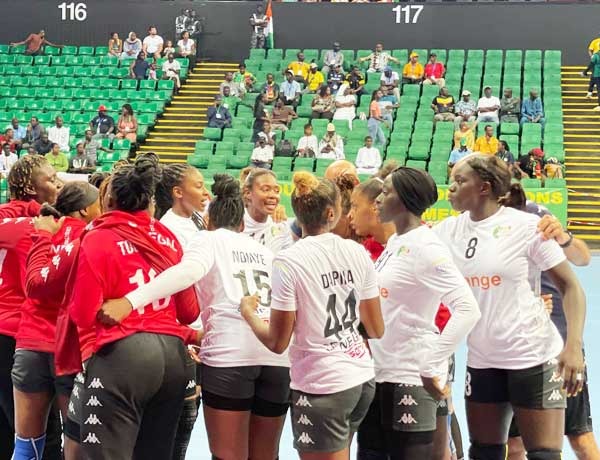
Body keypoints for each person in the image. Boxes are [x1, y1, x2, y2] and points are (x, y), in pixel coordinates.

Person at [100, 174, 290, 460]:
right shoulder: (266, 252)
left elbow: (187, 273)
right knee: (266, 455)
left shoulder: (207, 239)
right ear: (241, 224)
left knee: (229, 456)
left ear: (210, 221)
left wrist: (129, 301)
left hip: (231, 357)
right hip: (276, 358)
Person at [436, 154, 586, 460]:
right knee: (485, 453)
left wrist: (572, 347)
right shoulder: (446, 231)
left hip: (534, 357)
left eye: (460, 181)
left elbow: (571, 287)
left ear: (484, 188)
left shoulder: (527, 227)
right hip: (482, 360)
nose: (451, 188)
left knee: (544, 454)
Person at [240, 170, 384, 459]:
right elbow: (376, 328)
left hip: (323, 385)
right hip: (362, 377)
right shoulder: (356, 252)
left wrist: (248, 313)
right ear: (332, 213)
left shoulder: (289, 260)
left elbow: (277, 342)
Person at [68, 156, 200, 459]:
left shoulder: (98, 237)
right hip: (173, 358)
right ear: (150, 202)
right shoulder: (167, 237)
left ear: (110, 199)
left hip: (124, 356)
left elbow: (83, 314)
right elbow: (189, 311)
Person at [357, 167, 480, 460]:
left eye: (385, 193)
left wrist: (431, 363)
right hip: (380, 376)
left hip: (409, 377)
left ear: (403, 199)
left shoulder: (426, 247)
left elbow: (467, 309)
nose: (377, 201)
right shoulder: (397, 242)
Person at [500, 185, 599, 460]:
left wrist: (564, 238)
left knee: (579, 435)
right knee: (514, 442)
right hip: (512, 347)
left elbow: (583, 257)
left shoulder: (536, 216)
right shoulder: (479, 224)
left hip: (557, 340)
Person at [10, 182, 100, 460]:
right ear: (85, 209)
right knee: (75, 445)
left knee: (26, 446)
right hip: (69, 352)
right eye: (98, 203)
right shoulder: (92, 237)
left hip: (30, 346)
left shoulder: (37, 231)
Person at [0, 155, 61, 458]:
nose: (58, 184)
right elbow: (41, 286)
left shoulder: (3, 218)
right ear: (29, 186)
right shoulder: (42, 225)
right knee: (40, 436)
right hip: (18, 337)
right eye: (50, 179)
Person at [153, 163, 209, 460]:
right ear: (177, 192)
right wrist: (183, 337)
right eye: (199, 186)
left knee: (189, 416)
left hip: (198, 330)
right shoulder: (168, 230)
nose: (205, 191)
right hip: (184, 336)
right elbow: (171, 291)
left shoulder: (197, 220)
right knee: (181, 420)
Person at [242, 168, 294, 255]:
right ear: (248, 193)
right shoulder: (232, 223)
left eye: (276, 191)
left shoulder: (281, 227)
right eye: (266, 189)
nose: (273, 195)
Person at [347, 177, 395, 261]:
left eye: (355, 206)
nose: (349, 215)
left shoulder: (413, 244)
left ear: (376, 206)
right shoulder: (363, 251)